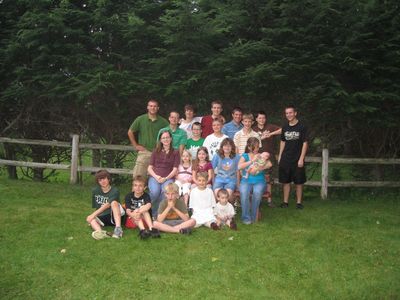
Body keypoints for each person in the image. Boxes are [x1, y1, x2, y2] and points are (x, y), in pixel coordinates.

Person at [128, 99, 169, 178]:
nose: (153, 108)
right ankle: (137, 190)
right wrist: (135, 145)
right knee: (138, 176)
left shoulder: (163, 121)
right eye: (151, 106)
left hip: (159, 152)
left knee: (157, 177)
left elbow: (170, 134)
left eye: (155, 106)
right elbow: (130, 132)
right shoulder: (140, 119)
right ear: (147, 107)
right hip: (144, 151)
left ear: (158, 108)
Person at [278, 105, 308, 209]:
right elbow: (282, 141)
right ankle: (285, 202)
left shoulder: (302, 127)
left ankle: (299, 203)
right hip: (286, 158)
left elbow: (305, 143)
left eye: (290, 113)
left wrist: (301, 158)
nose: (289, 115)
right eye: (287, 113)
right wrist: (280, 156)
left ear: (295, 113)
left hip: (297, 159)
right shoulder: (285, 127)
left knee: (298, 182)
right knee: (286, 182)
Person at [238, 137, 272, 224]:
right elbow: (239, 167)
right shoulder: (244, 156)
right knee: (244, 193)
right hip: (246, 180)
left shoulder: (262, 155)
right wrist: (252, 161)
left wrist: (259, 168)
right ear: (249, 147)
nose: (257, 149)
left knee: (257, 193)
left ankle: (253, 217)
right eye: (255, 147)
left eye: (258, 146)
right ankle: (246, 218)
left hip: (259, 180)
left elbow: (269, 164)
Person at [147, 130, 180, 219]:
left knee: (164, 192)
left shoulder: (175, 152)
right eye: (163, 138)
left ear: (171, 139)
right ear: (160, 140)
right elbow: (149, 168)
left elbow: (175, 169)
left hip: (168, 178)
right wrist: (156, 176)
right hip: (155, 177)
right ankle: (145, 208)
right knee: (155, 192)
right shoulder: (155, 151)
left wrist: (166, 178)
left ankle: (156, 215)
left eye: (167, 137)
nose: (166, 139)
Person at [252, 111, 281, 204]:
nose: (261, 120)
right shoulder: (253, 129)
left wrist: (271, 134)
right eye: (259, 118)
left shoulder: (270, 127)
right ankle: (256, 199)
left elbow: (282, 130)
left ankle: (269, 200)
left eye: (263, 118)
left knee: (268, 179)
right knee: (256, 176)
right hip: (258, 157)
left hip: (269, 157)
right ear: (256, 119)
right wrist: (262, 138)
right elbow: (251, 142)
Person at [86, 170, 124, 239]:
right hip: (103, 217)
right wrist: (93, 217)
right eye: (100, 180)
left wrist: (93, 215)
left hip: (114, 216)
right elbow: (97, 207)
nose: (102, 181)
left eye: (104, 179)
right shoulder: (95, 191)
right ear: (98, 182)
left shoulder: (115, 190)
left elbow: (108, 205)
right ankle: (101, 233)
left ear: (109, 179)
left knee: (114, 202)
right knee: (91, 219)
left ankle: (118, 229)